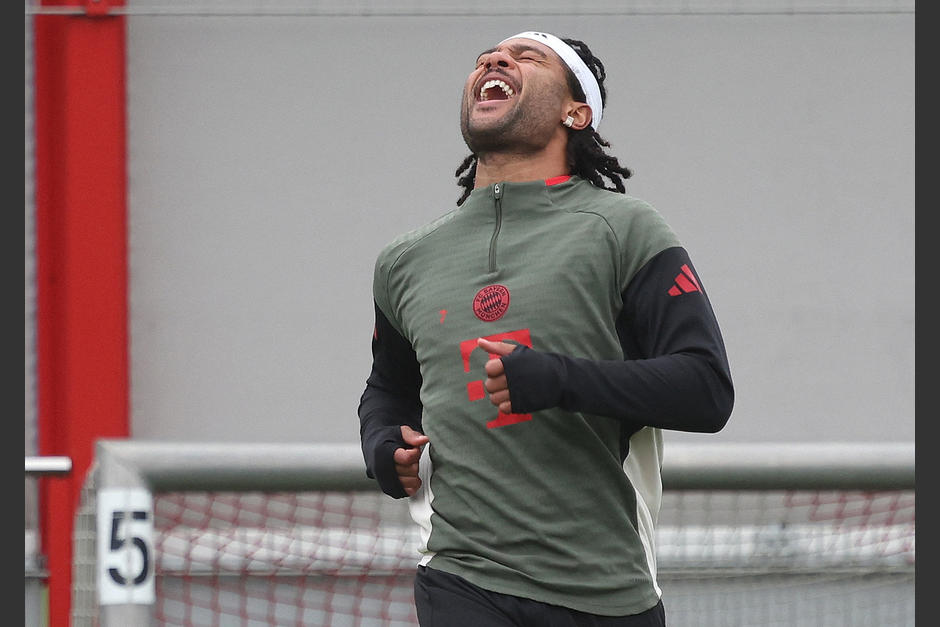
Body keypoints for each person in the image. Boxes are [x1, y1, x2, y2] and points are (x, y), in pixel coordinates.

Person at [358, 30, 733, 626]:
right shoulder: (404, 260)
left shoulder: (626, 229)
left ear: (575, 111)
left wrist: (558, 379)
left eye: (526, 56)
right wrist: (382, 444)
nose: (494, 59)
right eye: (486, 56)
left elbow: (707, 390)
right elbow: (388, 389)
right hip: (460, 575)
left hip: (606, 591)